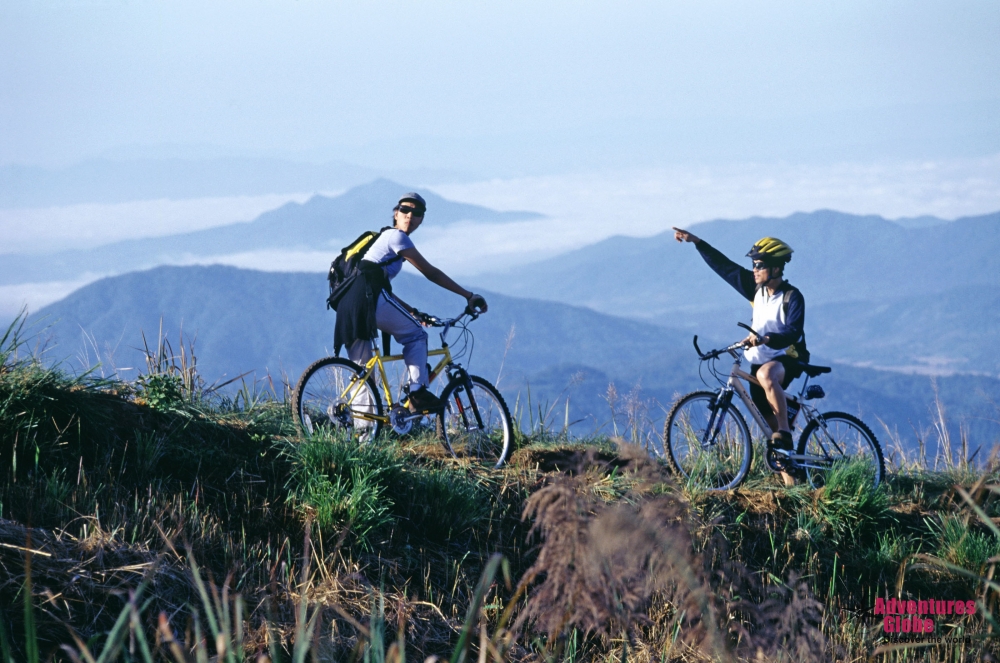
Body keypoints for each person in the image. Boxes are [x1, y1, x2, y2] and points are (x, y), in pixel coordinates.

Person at [673, 228, 806, 484]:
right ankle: (794, 486)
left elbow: (793, 331)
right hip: (758, 359)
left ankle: (787, 432)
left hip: (787, 356)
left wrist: (767, 338)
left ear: (776, 268)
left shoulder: (792, 296)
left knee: (768, 376)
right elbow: (724, 267)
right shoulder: (755, 289)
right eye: (753, 264)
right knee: (770, 430)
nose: (755, 269)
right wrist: (697, 242)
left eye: (760, 264)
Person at [334, 192, 488, 412]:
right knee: (416, 335)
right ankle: (417, 393)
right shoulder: (396, 237)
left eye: (416, 213)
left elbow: (384, 292)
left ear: (421, 219)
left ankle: (364, 437)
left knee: (363, 374)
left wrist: (413, 311)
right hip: (365, 299)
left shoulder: (381, 244)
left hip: (348, 304)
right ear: (395, 214)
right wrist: (468, 295)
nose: (410, 216)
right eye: (405, 210)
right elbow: (431, 273)